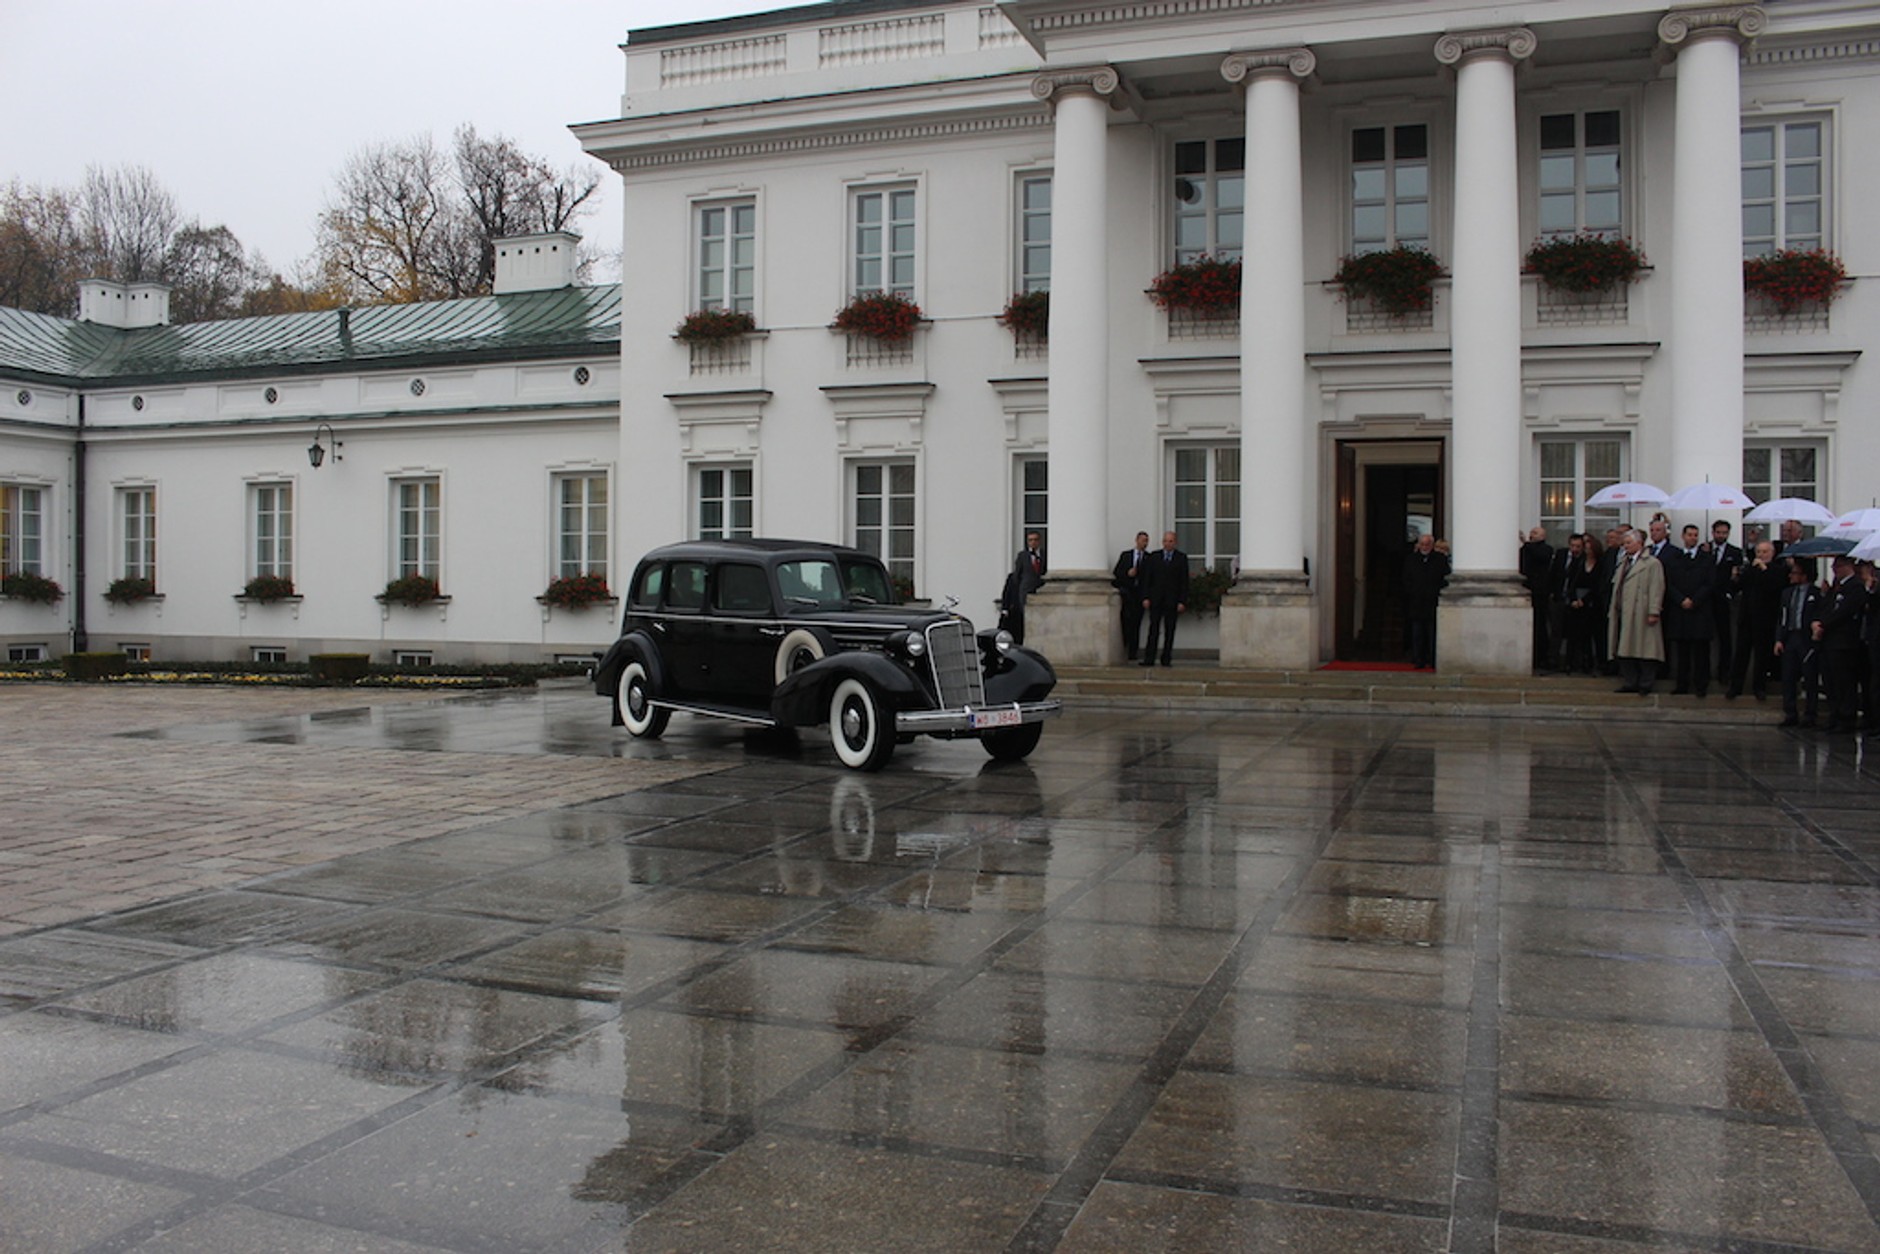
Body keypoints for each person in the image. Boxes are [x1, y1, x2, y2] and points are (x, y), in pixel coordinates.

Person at [1814, 554, 1869, 733]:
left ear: (1847, 566)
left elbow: (1845, 612)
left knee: (1844, 682)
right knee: (1831, 681)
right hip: (1829, 641)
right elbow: (1827, 608)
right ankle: (1835, 714)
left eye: (1837, 567)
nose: (1834, 571)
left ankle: (1846, 718)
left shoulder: (1855, 587)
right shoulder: (1836, 588)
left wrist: (1824, 624)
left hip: (1845, 642)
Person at [1609, 527, 1665, 696]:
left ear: (1639, 543)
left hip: (1641, 609)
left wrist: (1653, 611)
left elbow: (1657, 587)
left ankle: (1646, 683)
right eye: (1624, 543)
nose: (1625, 546)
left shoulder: (1652, 563)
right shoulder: (1623, 562)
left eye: (1628, 543)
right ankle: (1630, 681)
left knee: (1645, 648)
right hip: (1624, 610)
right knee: (1625, 647)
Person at [1662, 523, 1715, 697]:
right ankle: (1681, 684)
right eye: (1690, 535)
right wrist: (1681, 599)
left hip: (1700, 611)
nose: (1693, 538)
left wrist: (1694, 600)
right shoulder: (1674, 559)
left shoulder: (1707, 559)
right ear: (1683, 537)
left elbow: (1709, 584)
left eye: (1695, 535)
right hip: (1680, 610)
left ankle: (1701, 685)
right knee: (1682, 651)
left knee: (1701, 652)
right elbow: (1669, 584)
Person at [1727, 539, 1782, 701]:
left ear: (1772, 554)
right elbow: (1738, 588)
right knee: (1741, 654)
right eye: (1759, 552)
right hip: (1747, 618)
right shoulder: (1750, 570)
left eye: (1765, 552)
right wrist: (1735, 578)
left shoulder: (1777, 570)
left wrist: (1764, 570)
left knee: (1762, 655)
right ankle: (1735, 687)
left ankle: (1759, 687)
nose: (1761, 555)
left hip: (1765, 620)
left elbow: (1775, 589)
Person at [1777, 558, 1823, 728]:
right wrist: (1779, 639)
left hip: (1806, 639)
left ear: (1804, 575)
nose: (1791, 576)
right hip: (1791, 636)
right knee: (1788, 677)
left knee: (1810, 677)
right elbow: (1782, 617)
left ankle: (1810, 714)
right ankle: (1790, 712)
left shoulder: (1816, 593)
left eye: (1795, 573)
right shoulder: (1787, 593)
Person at [1140, 530, 1189, 668]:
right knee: (1153, 629)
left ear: (1175, 542)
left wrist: (1182, 601)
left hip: (1172, 601)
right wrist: (1145, 597)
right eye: (1165, 541)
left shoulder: (1181, 558)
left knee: (1170, 630)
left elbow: (1184, 582)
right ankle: (1149, 658)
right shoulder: (1154, 557)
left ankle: (1166, 658)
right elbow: (1147, 579)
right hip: (1156, 599)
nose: (1168, 544)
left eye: (1170, 541)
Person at [1401, 531, 1450, 669]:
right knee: (1417, 634)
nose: (1425, 546)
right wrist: (1413, 592)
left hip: (1433, 602)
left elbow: (1445, 579)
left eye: (1427, 544)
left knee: (1432, 634)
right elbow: (1406, 579)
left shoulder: (1440, 559)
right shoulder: (1411, 559)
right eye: (1422, 544)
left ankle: (1433, 660)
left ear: (1432, 545)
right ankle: (1418, 659)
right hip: (1416, 602)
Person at [1705, 520, 1743, 685]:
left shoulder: (1735, 552)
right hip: (1706, 599)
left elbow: (1738, 577)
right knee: (1704, 636)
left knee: (1725, 637)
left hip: (1724, 599)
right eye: (1718, 532)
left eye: (1724, 533)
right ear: (1713, 533)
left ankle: (1724, 671)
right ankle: (1704, 672)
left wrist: (1731, 590)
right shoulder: (1704, 549)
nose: (1721, 535)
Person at [1565, 533, 1603, 675]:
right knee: (1573, 634)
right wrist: (1574, 599)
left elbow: (1597, 585)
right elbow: (1572, 582)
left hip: (1591, 603)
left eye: (1589, 549)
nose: (1587, 552)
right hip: (1576, 600)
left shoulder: (1599, 564)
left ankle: (1589, 663)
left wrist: (1584, 600)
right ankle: (1573, 662)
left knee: (1588, 635)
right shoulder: (1579, 562)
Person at [1519, 526, 1555, 671]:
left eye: (1535, 533)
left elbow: (1541, 557)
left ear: (1543, 536)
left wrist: (1526, 543)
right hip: (1527, 588)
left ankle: (1542, 657)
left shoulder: (1546, 549)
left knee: (1540, 624)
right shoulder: (1525, 549)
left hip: (1540, 591)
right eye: (1531, 532)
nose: (1531, 535)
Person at [1111, 531, 1151, 661]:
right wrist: (1127, 574)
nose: (1144, 543)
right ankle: (1124, 647)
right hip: (1127, 593)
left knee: (1137, 623)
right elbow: (1116, 574)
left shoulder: (1149, 558)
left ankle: (1133, 652)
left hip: (1140, 594)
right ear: (1136, 540)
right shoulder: (1126, 555)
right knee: (1125, 622)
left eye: (1146, 541)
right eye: (1142, 540)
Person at [1000, 530, 1046, 644]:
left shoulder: (1045, 554)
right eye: (1030, 540)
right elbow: (1016, 576)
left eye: (1035, 540)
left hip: (1041, 590)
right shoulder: (1023, 555)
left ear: (1039, 541)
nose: (1033, 543)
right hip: (1025, 590)